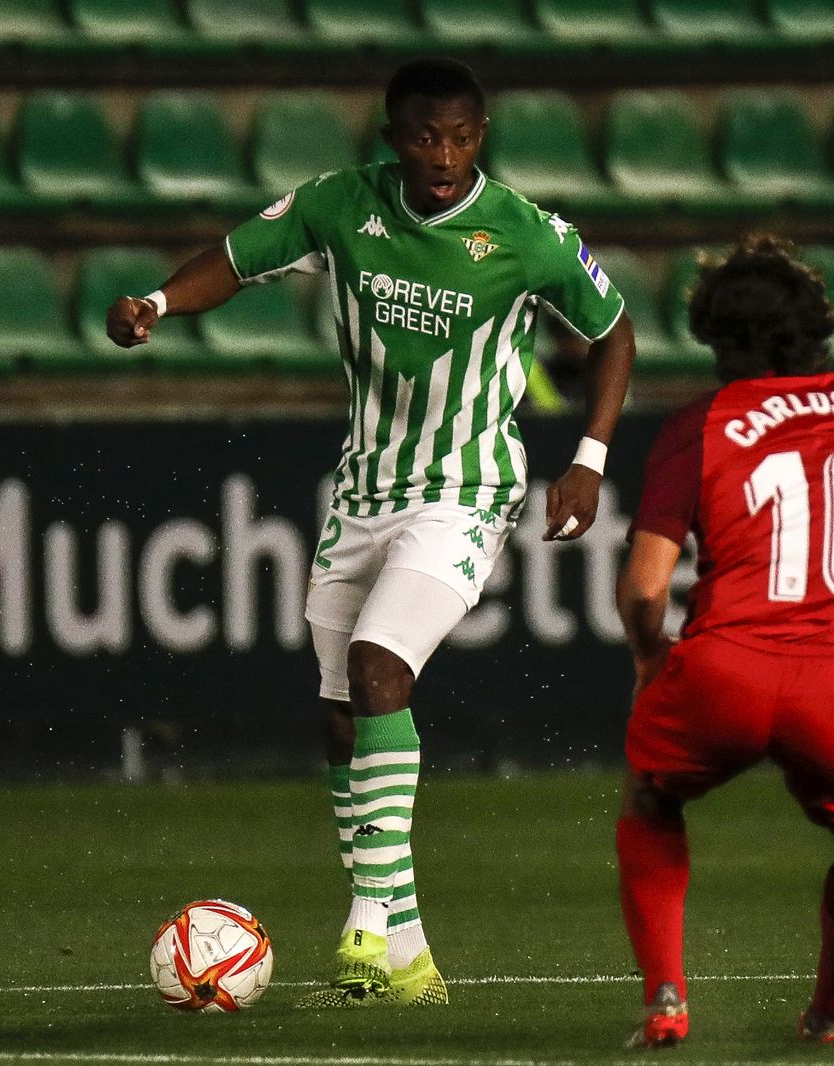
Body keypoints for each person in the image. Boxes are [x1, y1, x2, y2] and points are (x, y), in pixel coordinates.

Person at [107, 57, 635, 1008]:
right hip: (365, 488)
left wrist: (589, 460)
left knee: (381, 662)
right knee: (342, 710)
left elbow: (614, 332)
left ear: (484, 135)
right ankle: (412, 957)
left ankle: (365, 918)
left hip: (468, 489)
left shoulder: (527, 235)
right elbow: (232, 262)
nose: (445, 155)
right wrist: (154, 303)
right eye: (427, 137)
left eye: (464, 137)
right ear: (393, 138)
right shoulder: (339, 207)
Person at [613, 236, 834, 1048]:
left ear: (715, 340)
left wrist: (649, 655)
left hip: (723, 672)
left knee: (652, 797)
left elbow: (643, 586)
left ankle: (667, 998)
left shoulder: (699, 425)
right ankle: (829, 1014)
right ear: (819, 330)